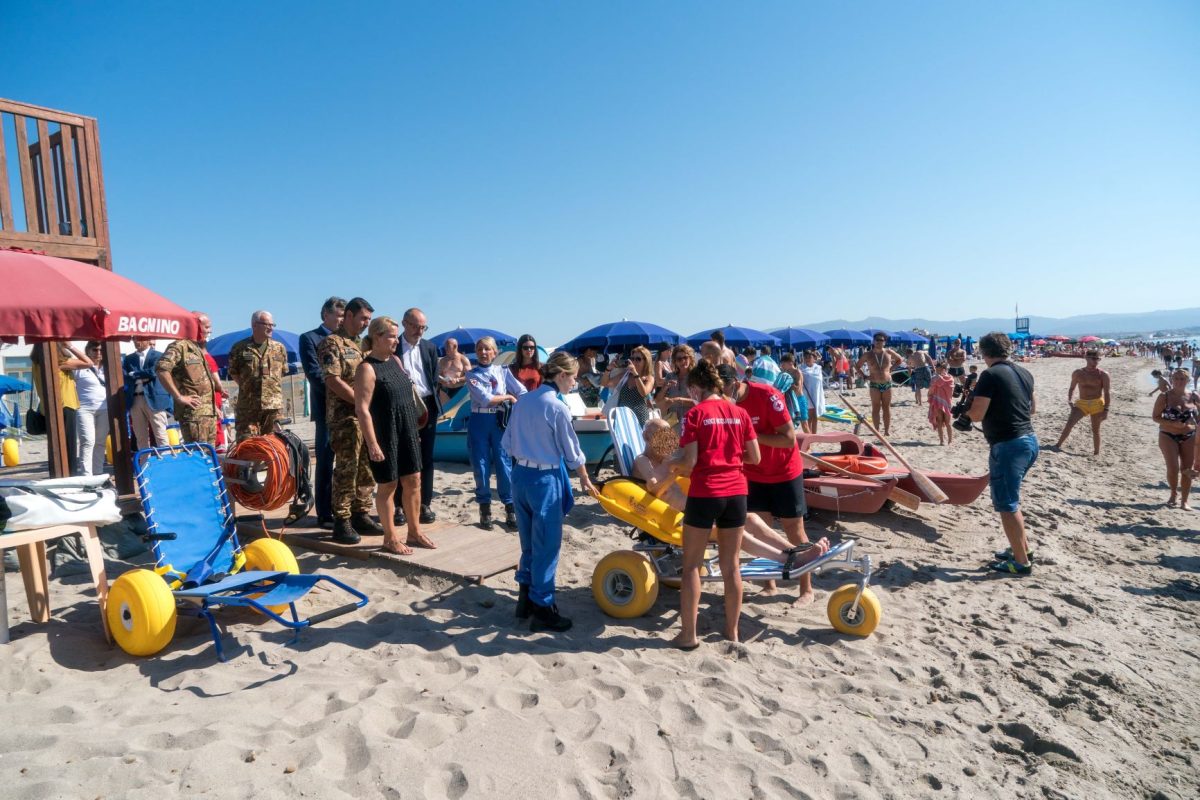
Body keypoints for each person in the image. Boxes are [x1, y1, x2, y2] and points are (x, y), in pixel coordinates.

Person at [635, 418, 830, 569]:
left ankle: (796, 551)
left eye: (667, 434)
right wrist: (674, 473)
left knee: (751, 519)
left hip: (696, 512)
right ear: (646, 437)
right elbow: (655, 490)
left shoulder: (667, 460)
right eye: (660, 435)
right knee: (735, 532)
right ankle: (788, 560)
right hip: (677, 521)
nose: (666, 440)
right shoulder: (643, 461)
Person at [502, 351, 600, 632]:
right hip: (544, 479)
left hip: (520, 476)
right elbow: (572, 451)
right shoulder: (557, 407)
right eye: (573, 377)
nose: (575, 383)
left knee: (529, 543)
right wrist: (584, 477)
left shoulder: (523, 401)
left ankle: (525, 599)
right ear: (561, 375)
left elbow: (507, 443)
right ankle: (543, 608)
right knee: (547, 546)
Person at [668, 360, 760, 649]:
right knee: (731, 567)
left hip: (707, 491)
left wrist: (672, 465)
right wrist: (729, 457)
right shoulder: (740, 413)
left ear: (695, 388)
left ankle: (689, 635)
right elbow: (755, 457)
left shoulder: (695, 414)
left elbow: (690, 461)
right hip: (736, 491)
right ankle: (732, 633)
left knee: (691, 566)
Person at [719, 365, 816, 603]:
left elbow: (789, 439)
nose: (721, 396)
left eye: (724, 390)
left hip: (784, 471)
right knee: (762, 530)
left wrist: (751, 435)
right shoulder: (723, 404)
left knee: (794, 530)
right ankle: (769, 584)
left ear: (735, 383)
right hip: (753, 472)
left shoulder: (767, 395)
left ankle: (806, 589)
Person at [355, 317, 434, 555]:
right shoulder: (367, 368)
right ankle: (390, 538)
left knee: (414, 480)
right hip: (384, 433)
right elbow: (362, 410)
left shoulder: (396, 361)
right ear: (377, 337)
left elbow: (406, 399)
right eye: (391, 336)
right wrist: (372, 444)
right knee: (388, 485)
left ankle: (414, 532)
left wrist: (414, 431)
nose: (396, 340)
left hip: (407, 430)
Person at [964, 333, 1038, 575]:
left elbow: (977, 414)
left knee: (1007, 504)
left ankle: (1021, 563)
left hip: (1009, 446)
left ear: (983, 352)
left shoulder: (990, 375)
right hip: (1029, 441)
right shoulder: (1024, 372)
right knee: (1012, 501)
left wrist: (965, 413)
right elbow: (1032, 409)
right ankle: (1022, 549)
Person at [318, 297, 383, 544]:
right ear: (349, 316)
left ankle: (361, 513)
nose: (366, 323)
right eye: (363, 318)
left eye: (369, 319)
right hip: (344, 417)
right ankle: (342, 520)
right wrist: (359, 402)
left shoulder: (363, 345)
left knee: (366, 467)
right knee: (347, 468)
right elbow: (333, 380)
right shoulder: (332, 343)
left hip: (366, 417)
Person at [467, 335, 527, 530]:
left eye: (487, 349)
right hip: (479, 421)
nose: (483, 353)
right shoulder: (472, 374)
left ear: (495, 352)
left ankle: (510, 507)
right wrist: (508, 397)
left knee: (504, 463)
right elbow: (485, 398)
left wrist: (520, 406)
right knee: (481, 464)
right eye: (480, 349)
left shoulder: (503, 371)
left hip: (500, 421)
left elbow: (522, 391)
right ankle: (485, 508)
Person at [300, 296, 345, 529]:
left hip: (349, 410)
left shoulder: (347, 340)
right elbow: (315, 374)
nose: (342, 320)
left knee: (347, 462)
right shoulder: (310, 338)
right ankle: (325, 513)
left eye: (344, 316)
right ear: (326, 315)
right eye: (339, 315)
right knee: (326, 461)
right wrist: (342, 392)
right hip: (326, 409)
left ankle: (345, 510)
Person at [396, 308, 441, 526]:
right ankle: (398, 505)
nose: (419, 331)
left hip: (427, 405)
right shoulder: (393, 346)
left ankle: (424, 503)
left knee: (426, 457)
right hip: (401, 406)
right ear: (404, 323)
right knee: (400, 456)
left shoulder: (430, 347)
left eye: (423, 327)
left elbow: (433, 379)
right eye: (415, 326)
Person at [158, 312, 221, 445]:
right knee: (197, 453)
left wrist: (214, 407)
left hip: (208, 413)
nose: (209, 331)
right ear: (195, 326)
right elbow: (162, 369)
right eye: (206, 327)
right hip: (193, 415)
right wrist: (179, 397)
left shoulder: (197, 348)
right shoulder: (180, 346)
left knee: (209, 454)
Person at [227, 310, 288, 441]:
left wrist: (268, 388)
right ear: (254, 325)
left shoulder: (279, 348)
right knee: (247, 443)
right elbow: (234, 372)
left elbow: (282, 372)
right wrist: (248, 387)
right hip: (248, 407)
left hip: (273, 407)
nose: (271, 328)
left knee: (274, 443)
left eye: (272, 325)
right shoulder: (239, 348)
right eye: (267, 324)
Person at [1151, 368, 1198, 510]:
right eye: (1176, 378)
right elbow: (1155, 417)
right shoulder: (1164, 396)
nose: (1179, 381)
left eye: (1182, 379)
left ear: (1188, 380)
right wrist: (1172, 423)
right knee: (1173, 468)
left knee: (1187, 469)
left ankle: (1185, 501)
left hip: (1189, 436)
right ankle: (1173, 493)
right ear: (1171, 380)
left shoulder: (1194, 396)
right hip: (1168, 435)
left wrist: (1194, 424)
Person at [1050, 350, 1111, 455]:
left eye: (1098, 359)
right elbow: (1072, 388)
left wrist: (1106, 410)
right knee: (1069, 424)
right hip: (1082, 403)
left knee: (1095, 430)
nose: (1096, 361)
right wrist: (1070, 400)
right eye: (1093, 359)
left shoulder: (1103, 374)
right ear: (1086, 358)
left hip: (1097, 403)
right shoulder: (1078, 373)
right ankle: (1057, 445)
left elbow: (1107, 393)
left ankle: (1096, 453)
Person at [122, 338, 172, 450]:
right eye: (134, 339)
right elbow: (125, 377)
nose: (136, 342)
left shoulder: (158, 355)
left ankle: (165, 460)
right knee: (140, 437)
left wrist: (134, 374)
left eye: (139, 339)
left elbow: (153, 372)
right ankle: (144, 460)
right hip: (135, 400)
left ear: (148, 340)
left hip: (155, 399)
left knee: (161, 435)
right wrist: (142, 376)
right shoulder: (129, 359)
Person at [855, 333, 903, 436]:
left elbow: (900, 360)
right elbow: (857, 366)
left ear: (884, 342)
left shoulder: (889, 352)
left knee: (886, 407)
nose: (878, 342)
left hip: (887, 383)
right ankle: (876, 430)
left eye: (881, 340)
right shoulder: (868, 354)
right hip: (874, 384)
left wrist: (891, 369)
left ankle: (886, 431)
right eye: (877, 340)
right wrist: (864, 376)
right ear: (873, 341)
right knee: (875, 407)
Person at [74, 341, 108, 476]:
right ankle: (86, 476)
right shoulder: (79, 367)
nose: (98, 353)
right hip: (84, 409)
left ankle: (98, 474)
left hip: (104, 408)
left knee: (100, 442)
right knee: (88, 441)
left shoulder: (108, 367)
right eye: (95, 350)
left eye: (101, 350)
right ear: (88, 350)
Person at [606, 345, 656, 426]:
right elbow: (605, 383)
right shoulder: (625, 376)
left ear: (646, 361)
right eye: (632, 358)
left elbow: (644, 393)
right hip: (622, 418)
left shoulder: (649, 378)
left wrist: (635, 374)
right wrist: (608, 369)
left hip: (639, 418)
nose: (634, 361)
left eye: (638, 359)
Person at [656, 344, 697, 426]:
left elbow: (699, 402)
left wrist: (678, 400)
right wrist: (665, 388)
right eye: (679, 359)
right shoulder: (670, 376)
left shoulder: (696, 376)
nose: (683, 361)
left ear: (690, 358)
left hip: (691, 421)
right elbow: (658, 400)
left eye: (685, 357)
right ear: (675, 361)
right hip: (673, 422)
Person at [436, 337, 472, 407]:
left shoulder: (463, 359)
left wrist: (457, 379)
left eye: (448, 346)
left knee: (459, 411)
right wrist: (441, 380)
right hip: (445, 390)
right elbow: (437, 375)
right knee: (446, 410)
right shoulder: (442, 361)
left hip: (460, 389)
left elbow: (470, 376)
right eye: (445, 346)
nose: (445, 348)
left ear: (455, 346)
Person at [928, 361, 955, 445]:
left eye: (939, 370)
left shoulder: (949, 378)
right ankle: (942, 441)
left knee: (947, 423)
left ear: (944, 369)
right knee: (940, 422)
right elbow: (931, 389)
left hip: (945, 402)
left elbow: (950, 389)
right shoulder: (936, 378)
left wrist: (938, 380)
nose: (937, 371)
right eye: (936, 370)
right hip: (939, 402)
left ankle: (949, 441)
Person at [799, 350, 826, 433]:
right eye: (806, 357)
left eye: (809, 357)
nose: (807, 359)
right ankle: (810, 435)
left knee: (815, 416)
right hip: (807, 394)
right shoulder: (801, 369)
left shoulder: (818, 368)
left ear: (814, 358)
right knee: (809, 417)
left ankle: (814, 434)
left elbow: (818, 380)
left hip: (817, 394)